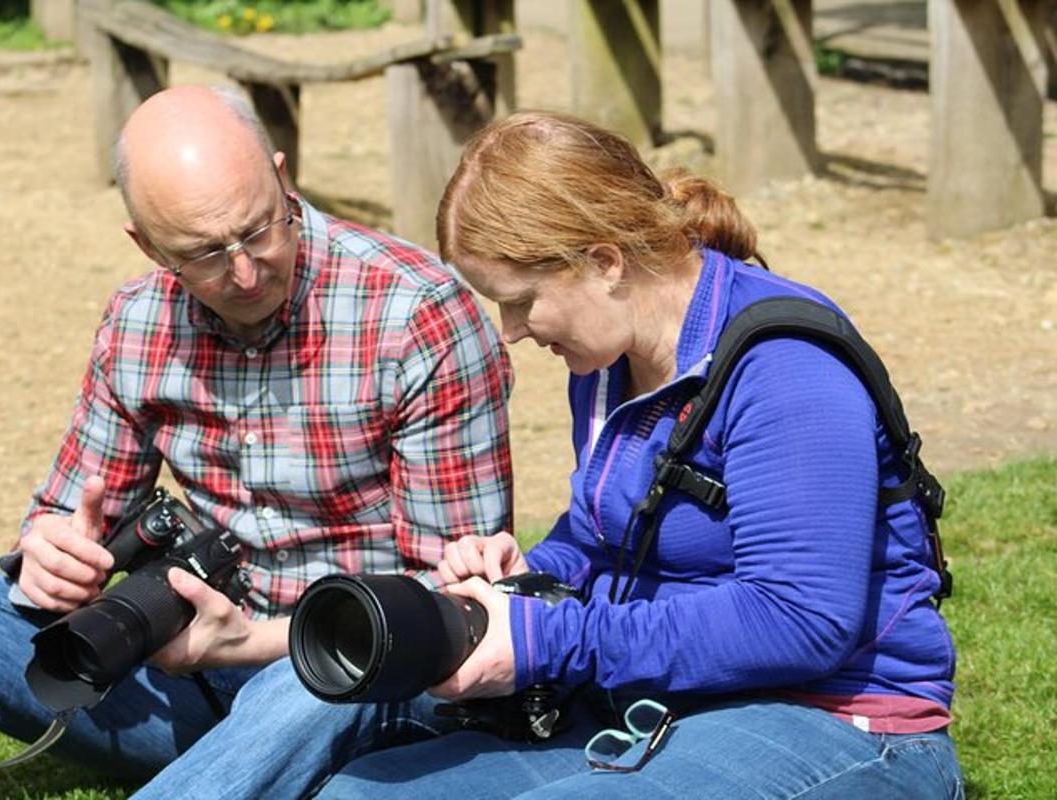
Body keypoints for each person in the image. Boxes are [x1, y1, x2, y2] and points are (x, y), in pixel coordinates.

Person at [0, 85, 513, 799]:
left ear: (282, 176)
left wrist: (266, 642)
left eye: (261, 229)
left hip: (357, 676)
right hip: (188, 671)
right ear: (146, 244)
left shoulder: (417, 314)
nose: (244, 270)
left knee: (315, 680)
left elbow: (457, 606)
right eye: (203, 254)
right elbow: (67, 521)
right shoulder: (139, 325)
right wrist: (49, 558)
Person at [316, 110, 963, 799]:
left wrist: (548, 640)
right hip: (664, 707)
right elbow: (613, 535)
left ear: (604, 261)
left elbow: (800, 619)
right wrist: (534, 573)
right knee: (362, 792)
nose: (510, 332)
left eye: (521, 301)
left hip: (837, 719)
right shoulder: (607, 361)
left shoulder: (785, 371)